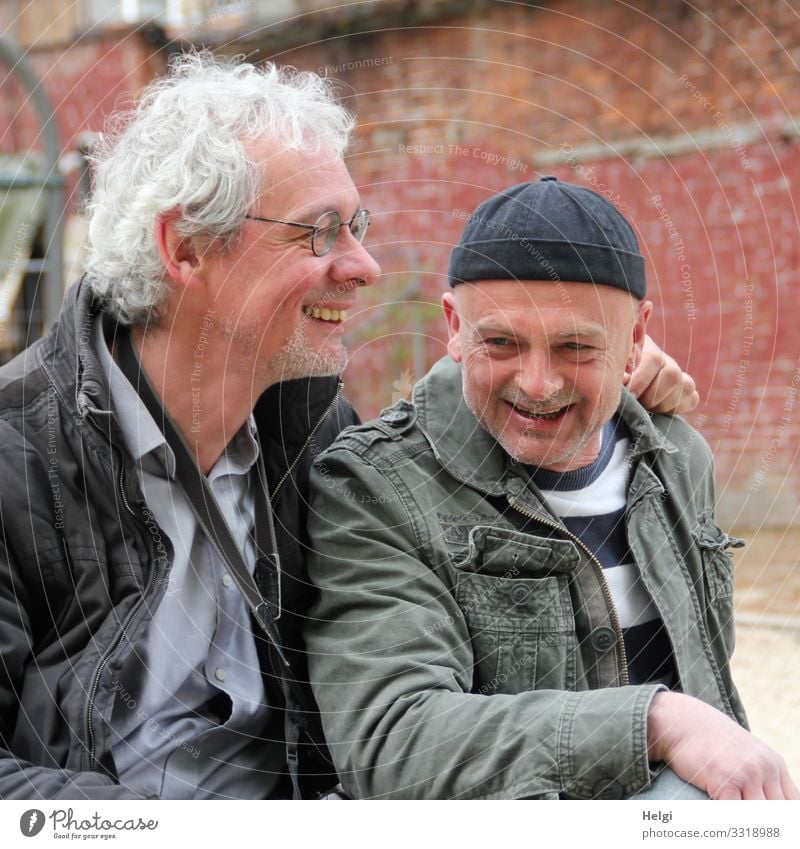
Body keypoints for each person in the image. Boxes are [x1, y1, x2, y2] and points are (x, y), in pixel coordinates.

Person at [0, 53, 695, 801]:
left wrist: (593, 365)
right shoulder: (18, 459)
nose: (363, 265)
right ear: (187, 248)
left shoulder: (312, 432)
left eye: (356, 225)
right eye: (320, 232)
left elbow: (430, 451)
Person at [303, 177, 800, 800]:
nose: (537, 384)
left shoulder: (677, 459)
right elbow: (395, 742)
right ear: (454, 326)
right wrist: (654, 723)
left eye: (576, 347)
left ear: (636, 339)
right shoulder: (375, 487)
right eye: (502, 342)